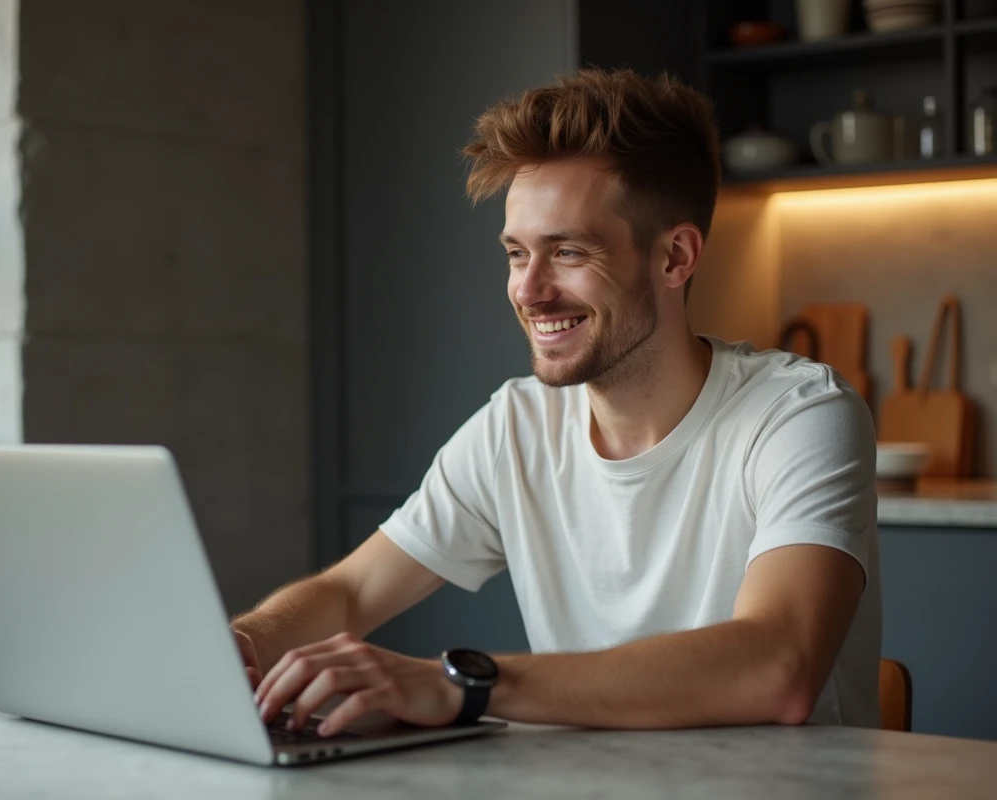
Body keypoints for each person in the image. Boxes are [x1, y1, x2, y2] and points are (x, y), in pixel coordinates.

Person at [234, 68, 880, 739]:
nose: (529, 291)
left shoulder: (799, 415)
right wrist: (241, 647)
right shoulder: (515, 427)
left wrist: (462, 684)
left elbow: (780, 666)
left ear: (674, 258)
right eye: (517, 254)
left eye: (568, 251)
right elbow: (350, 592)